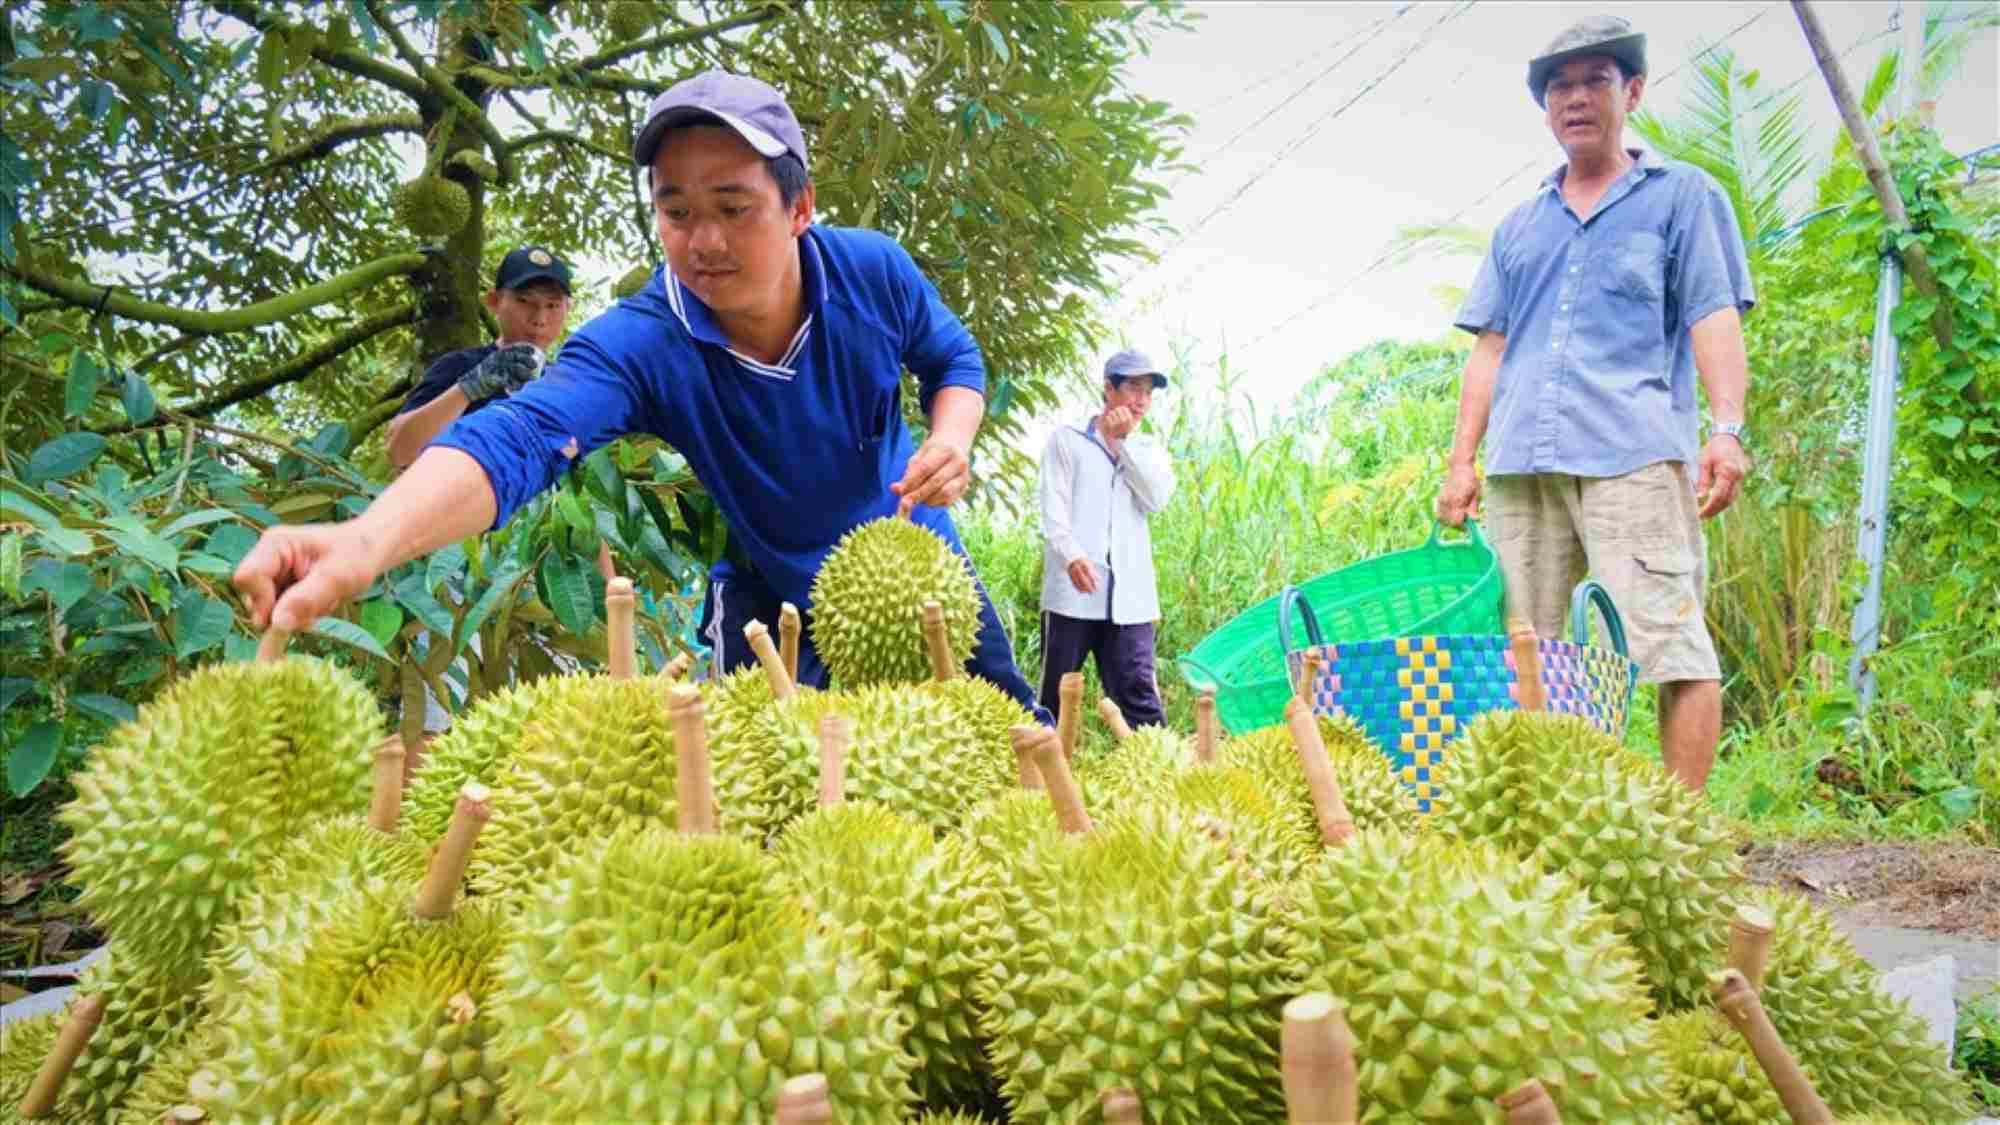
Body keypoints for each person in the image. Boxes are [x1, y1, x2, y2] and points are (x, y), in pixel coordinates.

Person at [234, 70, 1051, 722]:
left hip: (913, 553)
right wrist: (367, 541)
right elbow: (521, 437)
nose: (704, 241)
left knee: (1004, 734)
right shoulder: (643, 340)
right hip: (769, 583)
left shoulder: (872, 273)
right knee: (771, 783)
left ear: (800, 206)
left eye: (734, 207)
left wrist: (953, 436)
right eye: (676, 210)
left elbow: (954, 359)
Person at [1434, 16, 1754, 791]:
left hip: (1632, 456)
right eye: (1560, 86)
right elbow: (1491, 349)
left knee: (1670, 645)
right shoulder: (1520, 227)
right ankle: (1561, 818)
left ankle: (1680, 836)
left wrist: (1727, 430)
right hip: (1523, 465)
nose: (1575, 98)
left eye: (1594, 81)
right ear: (1545, 108)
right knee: (1534, 654)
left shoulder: (1682, 198)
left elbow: (1714, 313)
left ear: (1632, 91)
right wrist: (1460, 461)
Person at [1037, 349, 1176, 729]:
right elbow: (1053, 512)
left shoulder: (1148, 450)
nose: (1141, 400)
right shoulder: (1066, 441)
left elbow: (1156, 499)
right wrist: (1071, 556)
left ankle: (1161, 780)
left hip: (1131, 599)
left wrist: (1123, 443)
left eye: (1148, 391)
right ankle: (1042, 779)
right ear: (1108, 388)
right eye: (1133, 386)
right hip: (1073, 593)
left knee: (1140, 699)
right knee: (1055, 697)